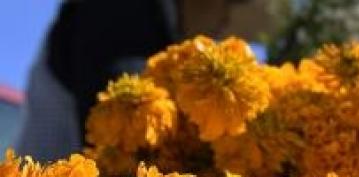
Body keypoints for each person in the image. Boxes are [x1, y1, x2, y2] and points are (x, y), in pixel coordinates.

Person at [14, 0, 262, 162]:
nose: (226, 22)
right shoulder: (121, 13)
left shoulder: (162, 34)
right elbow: (127, 135)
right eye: (227, 5)